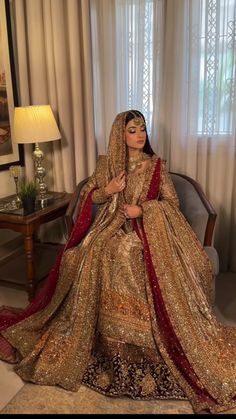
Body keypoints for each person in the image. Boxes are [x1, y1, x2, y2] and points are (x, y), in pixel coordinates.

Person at [0, 110, 236, 414]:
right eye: (133, 130)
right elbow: (90, 197)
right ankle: (104, 337)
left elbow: (172, 204)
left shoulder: (157, 167)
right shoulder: (107, 164)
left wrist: (144, 211)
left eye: (143, 130)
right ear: (120, 135)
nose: (140, 136)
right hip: (110, 226)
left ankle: (142, 335)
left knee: (129, 253)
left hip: (146, 231)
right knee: (98, 252)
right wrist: (107, 190)